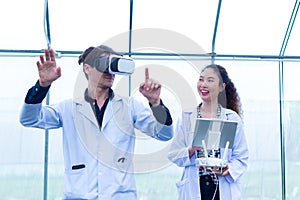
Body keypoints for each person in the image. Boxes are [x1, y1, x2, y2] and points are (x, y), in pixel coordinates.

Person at [19, 45, 174, 199]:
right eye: (103, 63)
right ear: (87, 68)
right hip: (79, 195)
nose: (109, 70)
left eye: (113, 64)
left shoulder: (129, 107)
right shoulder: (68, 108)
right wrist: (42, 86)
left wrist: (155, 103)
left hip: (120, 195)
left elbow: (164, 134)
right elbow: (29, 119)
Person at [168, 64, 249, 200]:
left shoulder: (232, 118)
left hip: (222, 188)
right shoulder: (187, 117)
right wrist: (191, 149)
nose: (203, 85)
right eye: (201, 79)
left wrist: (228, 170)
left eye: (210, 80)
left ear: (221, 87)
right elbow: (174, 155)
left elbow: (241, 157)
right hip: (195, 187)